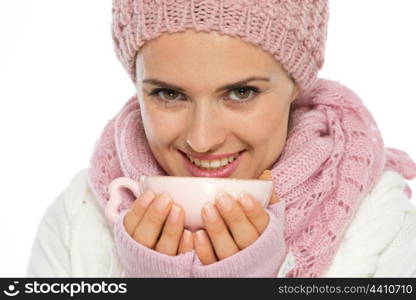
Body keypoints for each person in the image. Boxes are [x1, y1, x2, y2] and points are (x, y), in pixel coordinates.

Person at [26, 0, 416, 278]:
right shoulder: (79, 216)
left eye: (241, 93)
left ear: (297, 84)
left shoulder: (382, 221)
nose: (202, 139)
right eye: (168, 94)